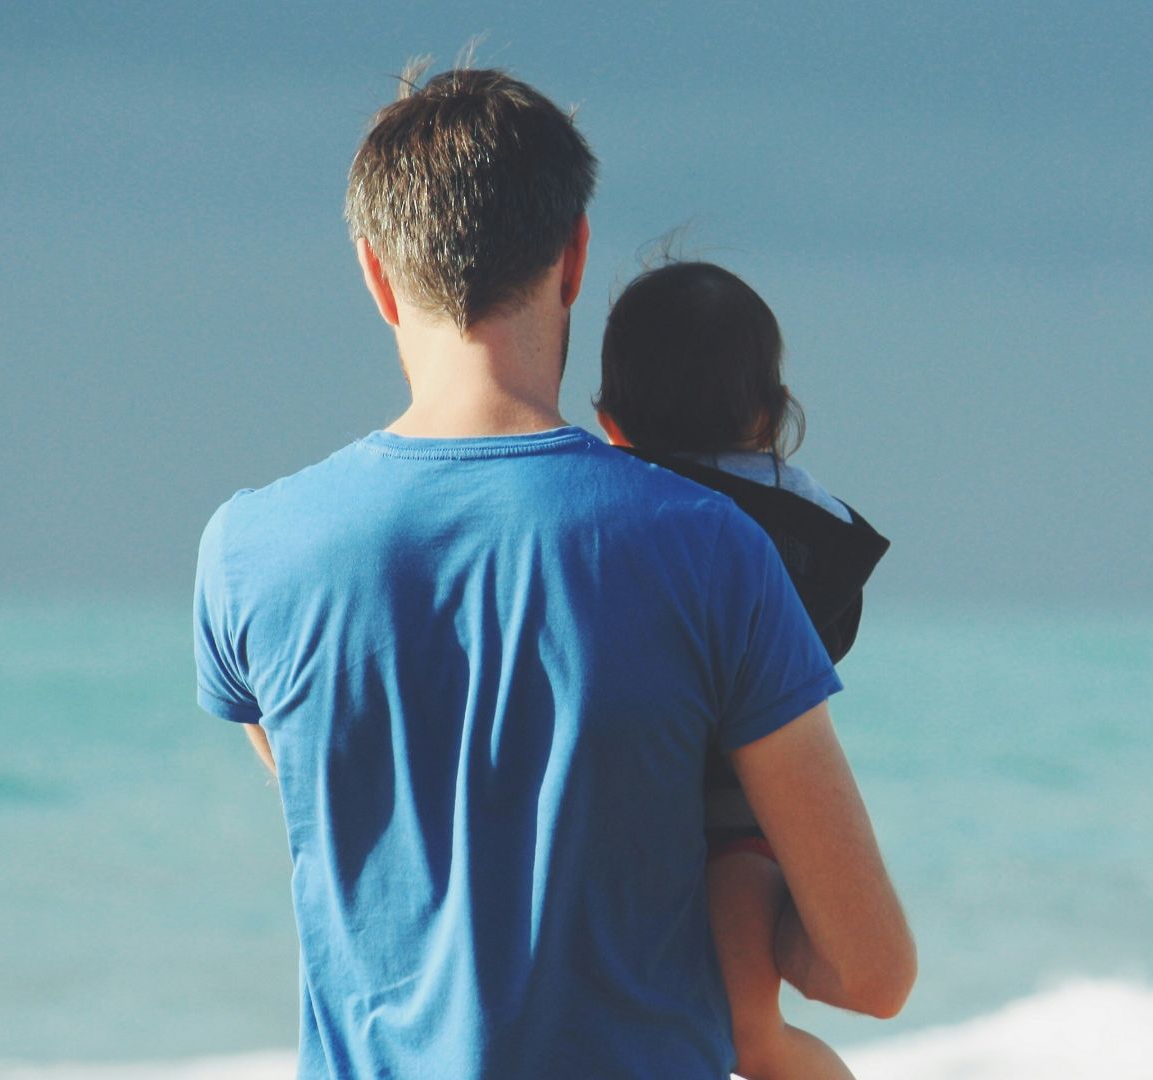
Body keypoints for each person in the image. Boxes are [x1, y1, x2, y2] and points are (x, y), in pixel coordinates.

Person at [190, 62, 914, 1079]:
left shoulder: (245, 555)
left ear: (376, 274)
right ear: (574, 259)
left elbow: (358, 827)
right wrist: (752, 922)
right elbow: (873, 972)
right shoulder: (710, 548)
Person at [594, 260, 890, 1079]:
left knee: (733, 1036)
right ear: (770, 411)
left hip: (657, 803)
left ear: (609, 420)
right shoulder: (808, 519)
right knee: (752, 1041)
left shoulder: (613, 510)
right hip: (752, 814)